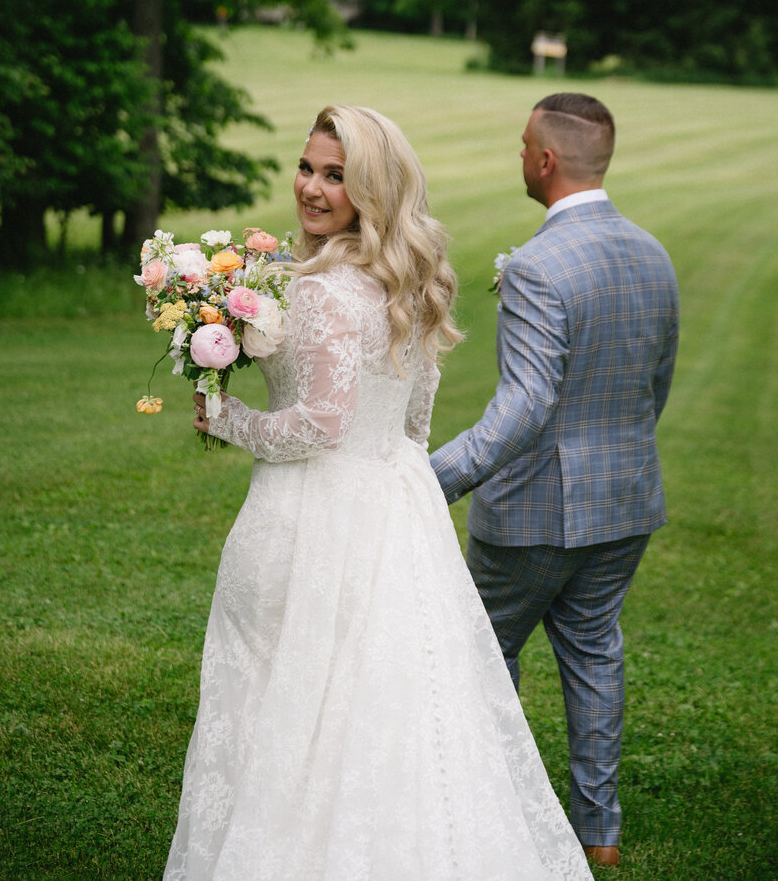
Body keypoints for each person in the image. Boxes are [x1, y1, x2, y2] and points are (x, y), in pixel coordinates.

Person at [164, 105, 593, 881]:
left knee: (291, 697)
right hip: (397, 507)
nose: (312, 187)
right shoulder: (404, 283)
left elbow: (322, 425)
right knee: (396, 705)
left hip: (314, 513)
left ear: (371, 188)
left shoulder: (324, 290)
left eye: (336, 175)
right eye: (307, 167)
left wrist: (226, 417)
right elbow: (413, 423)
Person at [431, 92, 680, 868]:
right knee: (595, 648)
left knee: (486, 648)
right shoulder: (654, 252)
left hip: (533, 513)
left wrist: (435, 475)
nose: (519, 156)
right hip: (626, 496)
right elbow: (656, 383)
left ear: (544, 160)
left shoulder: (538, 264)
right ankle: (598, 832)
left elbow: (527, 404)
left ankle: (501, 811)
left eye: (521, 146)